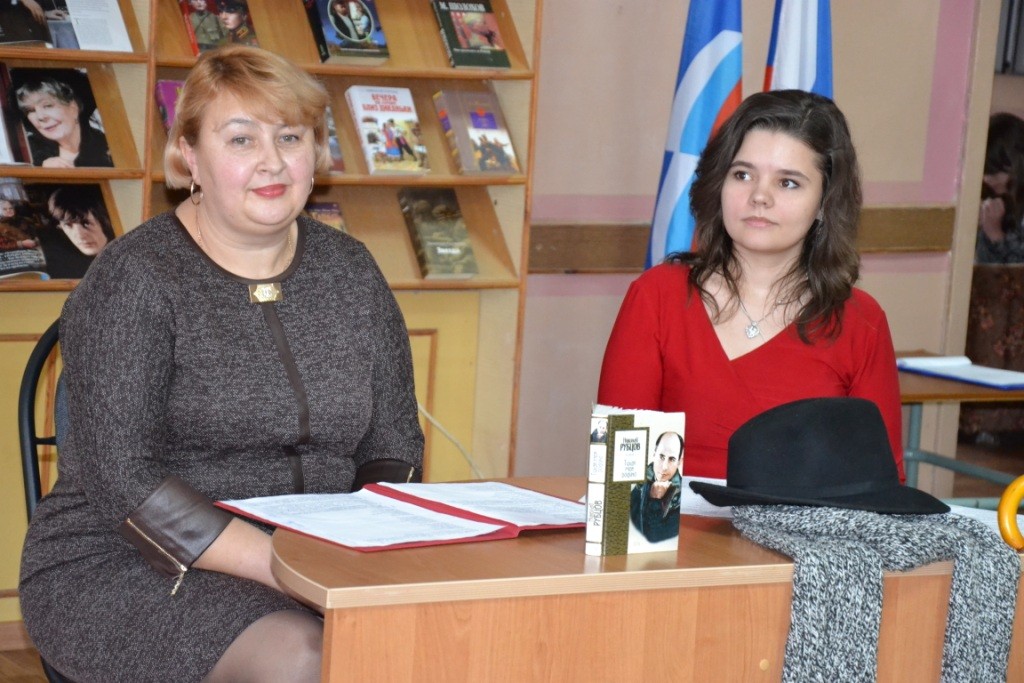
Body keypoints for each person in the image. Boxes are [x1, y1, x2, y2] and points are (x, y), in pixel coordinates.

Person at [19, 45, 424, 682]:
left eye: (290, 136)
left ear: (315, 153)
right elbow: (124, 476)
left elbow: (393, 441)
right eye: (240, 139)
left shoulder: (352, 271)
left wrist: (361, 545)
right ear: (190, 156)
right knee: (306, 658)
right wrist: (291, 569)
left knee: (466, 630)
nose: (272, 161)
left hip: (317, 558)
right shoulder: (135, 278)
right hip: (130, 563)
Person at [598, 89, 904, 482]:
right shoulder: (656, 297)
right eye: (742, 175)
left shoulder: (861, 322)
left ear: (825, 203)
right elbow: (620, 478)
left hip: (797, 525)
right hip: (669, 522)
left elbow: (879, 486)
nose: (759, 196)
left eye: (788, 183)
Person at [11, 68, 114, 168]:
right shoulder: (26, 157)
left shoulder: (110, 150)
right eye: (30, 110)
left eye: (48, 105)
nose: (41, 117)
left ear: (74, 107)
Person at [975, 112, 1024, 263]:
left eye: (993, 171)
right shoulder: (996, 199)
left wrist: (996, 235)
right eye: (984, 171)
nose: (986, 179)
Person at [629, 431, 683, 543]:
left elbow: (653, 537)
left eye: (672, 459)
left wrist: (655, 500)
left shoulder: (681, 497)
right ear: (654, 454)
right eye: (661, 457)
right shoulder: (638, 480)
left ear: (679, 462)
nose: (664, 467)